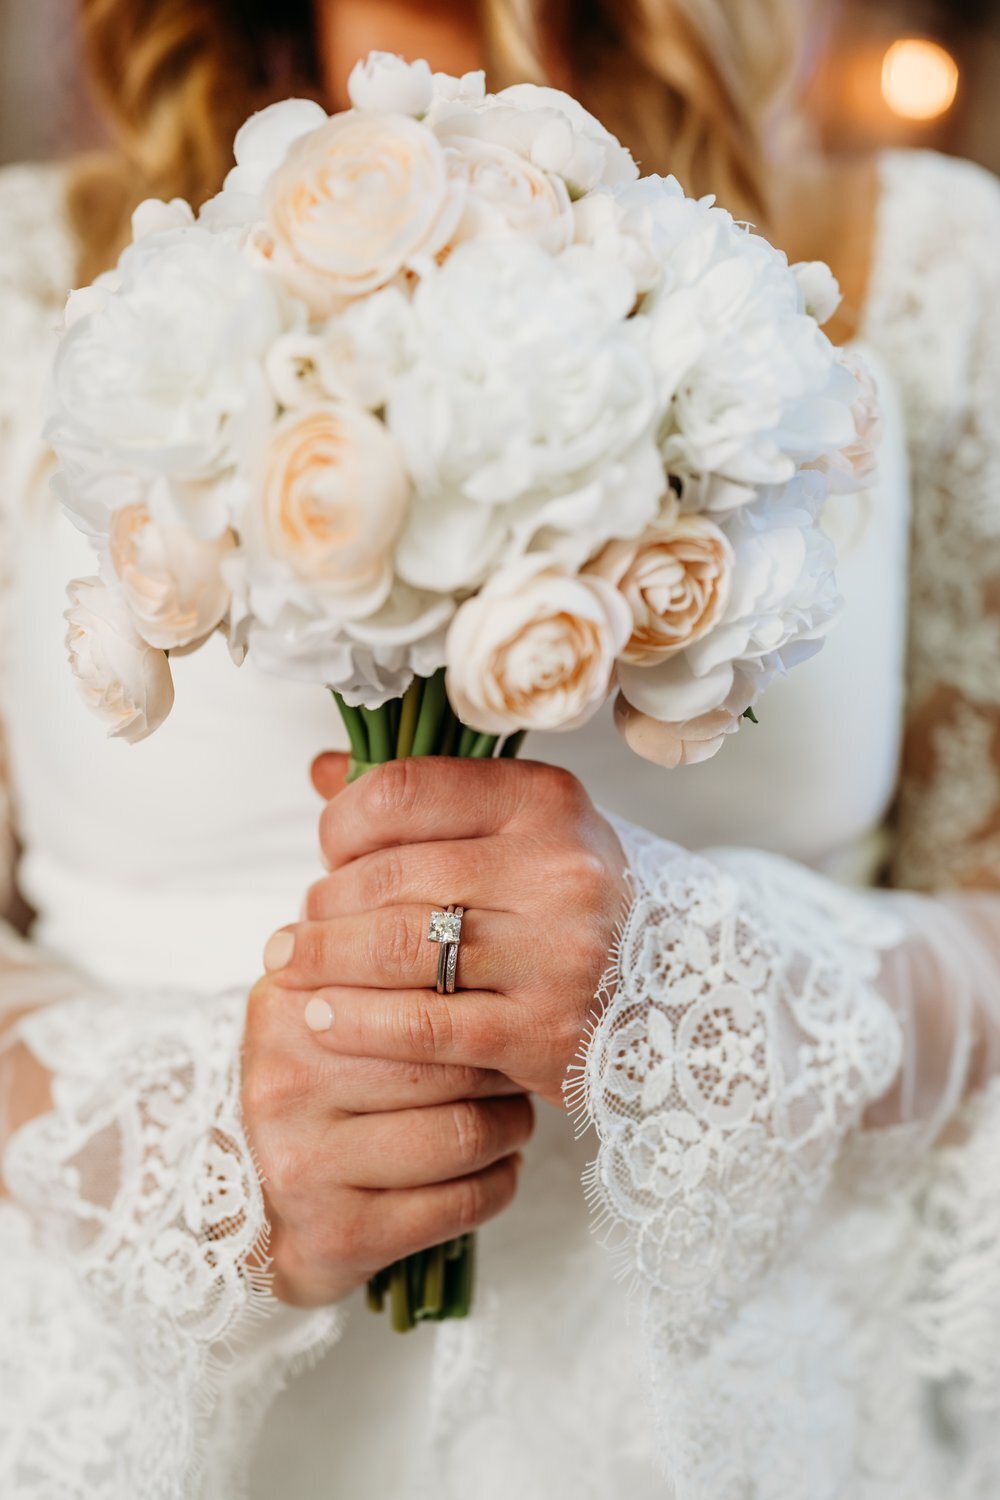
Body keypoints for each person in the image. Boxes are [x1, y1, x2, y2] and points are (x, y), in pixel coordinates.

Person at [1, 2, 999, 1496]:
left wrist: (710, 996)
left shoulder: (937, 273)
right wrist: (199, 1165)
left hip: (734, 1431)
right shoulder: (24, 277)